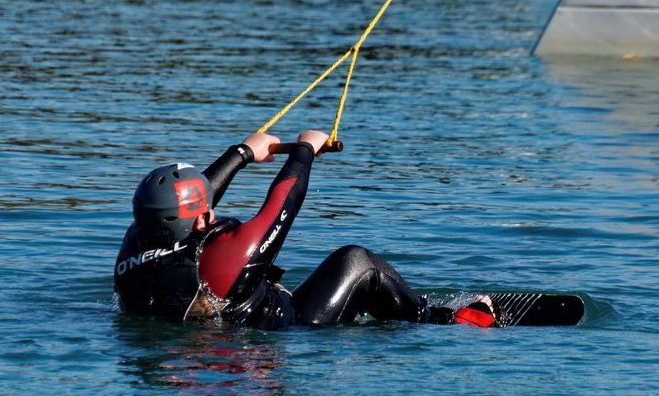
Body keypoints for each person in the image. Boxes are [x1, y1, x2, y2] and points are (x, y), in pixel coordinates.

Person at [114, 130, 495, 330]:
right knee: (357, 262)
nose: (211, 215)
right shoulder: (226, 262)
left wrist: (243, 153)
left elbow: (196, 199)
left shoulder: (137, 242)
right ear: (192, 219)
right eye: (204, 213)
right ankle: (452, 321)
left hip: (207, 335)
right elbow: (283, 203)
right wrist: (305, 150)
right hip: (290, 325)